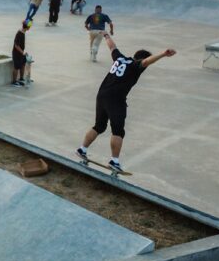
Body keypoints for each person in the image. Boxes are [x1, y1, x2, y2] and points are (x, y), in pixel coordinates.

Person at [76, 33, 177, 172]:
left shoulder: (120, 58)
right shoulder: (136, 65)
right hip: (116, 99)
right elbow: (147, 62)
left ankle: (82, 149)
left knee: (99, 126)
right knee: (118, 131)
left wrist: (106, 36)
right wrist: (163, 54)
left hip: (102, 94)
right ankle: (115, 161)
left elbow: (112, 47)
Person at [11, 20, 31, 87]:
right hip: (17, 53)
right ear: (27, 27)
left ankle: (21, 78)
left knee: (23, 64)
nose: (30, 28)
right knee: (16, 67)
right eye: (29, 26)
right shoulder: (19, 33)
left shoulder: (23, 32)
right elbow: (16, 45)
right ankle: (14, 82)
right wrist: (22, 52)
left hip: (21, 53)